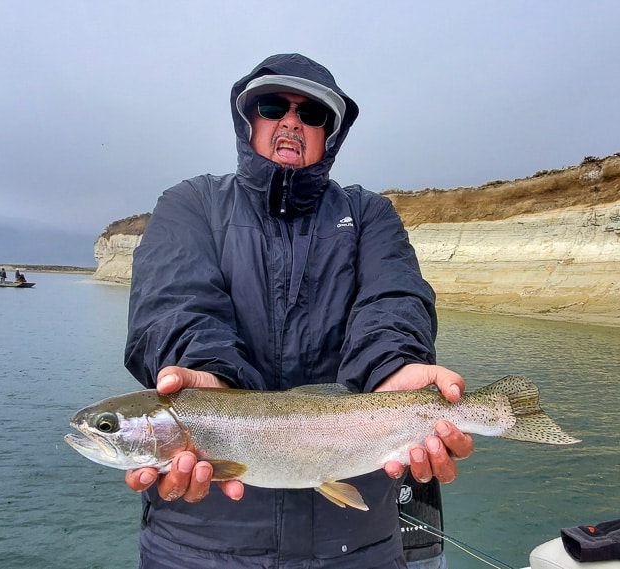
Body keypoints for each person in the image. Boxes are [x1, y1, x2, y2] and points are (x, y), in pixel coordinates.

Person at [123, 53, 473, 569]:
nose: (291, 121)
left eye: (311, 114)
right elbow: (176, 303)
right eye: (273, 106)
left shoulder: (369, 214)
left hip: (358, 547)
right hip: (196, 548)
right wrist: (205, 377)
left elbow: (392, 302)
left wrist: (396, 367)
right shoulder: (191, 203)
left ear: (329, 133)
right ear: (249, 120)